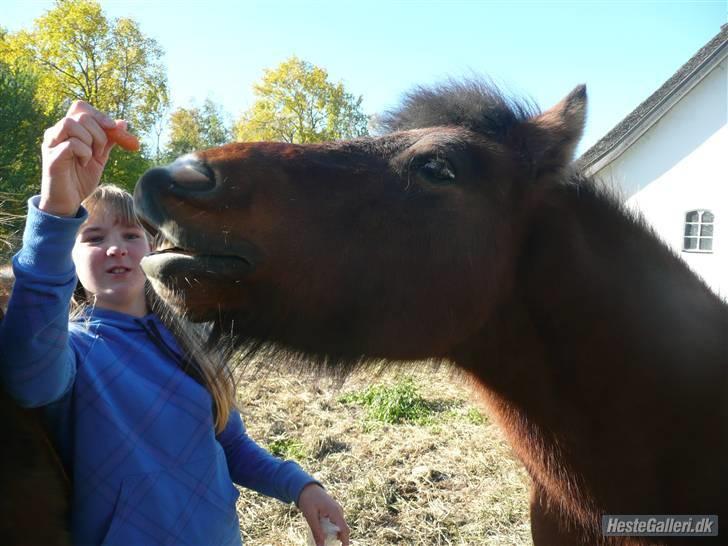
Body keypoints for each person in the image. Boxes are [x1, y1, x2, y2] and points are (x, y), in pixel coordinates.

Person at [0, 100, 349, 546]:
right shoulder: (73, 352)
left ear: (152, 250)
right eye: (93, 237)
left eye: (131, 235)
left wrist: (301, 487)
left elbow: (232, 446)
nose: (115, 248)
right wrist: (57, 209)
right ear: (69, 256)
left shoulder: (193, 345)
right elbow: (27, 375)